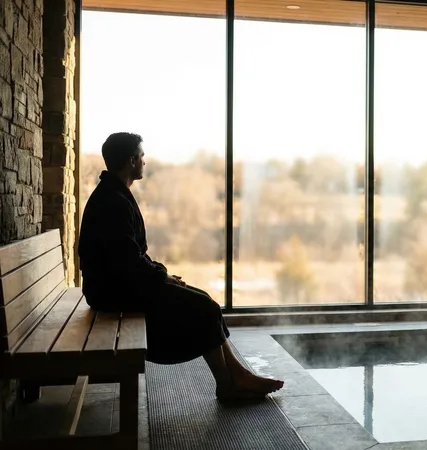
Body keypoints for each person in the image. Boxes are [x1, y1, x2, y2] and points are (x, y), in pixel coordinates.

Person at [78, 132, 284, 402]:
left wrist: (161, 275)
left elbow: (129, 255)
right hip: (112, 292)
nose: (144, 161)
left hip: (117, 283)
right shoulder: (112, 201)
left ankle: (236, 373)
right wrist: (161, 278)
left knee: (205, 301)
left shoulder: (114, 194)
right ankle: (227, 385)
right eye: (141, 156)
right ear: (130, 161)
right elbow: (127, 260)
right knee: (205, 308)